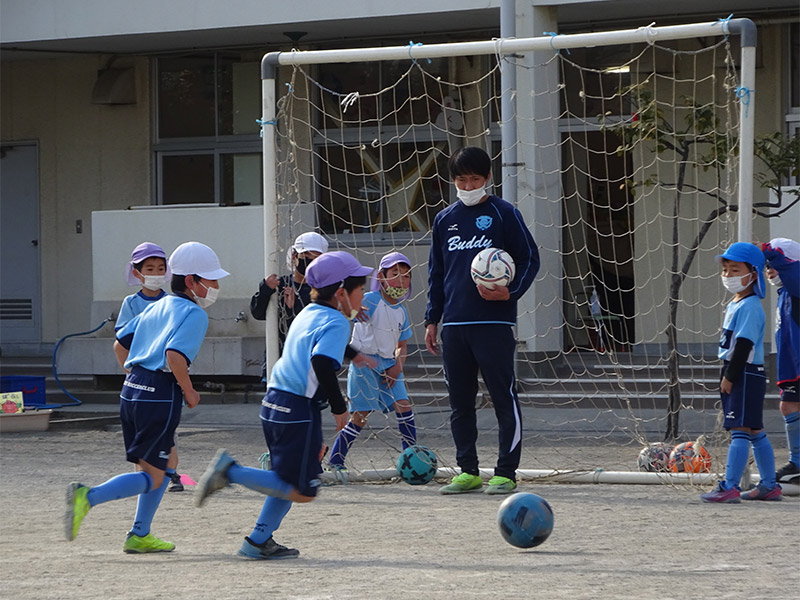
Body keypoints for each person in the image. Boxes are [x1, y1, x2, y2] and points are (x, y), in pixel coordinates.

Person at [194, 251, 372, 560]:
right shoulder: (337, 323)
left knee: (286, 478)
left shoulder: (309, 313)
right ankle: (230, 472)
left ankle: (258, 541)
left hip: (275, 404)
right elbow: (320, 362)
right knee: (303, 489)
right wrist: (340, 410)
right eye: (361, 289)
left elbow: (317, 342)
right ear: (342, 292)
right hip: (297, 410)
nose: (364, 295)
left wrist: (353, 352)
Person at [64, 242, 230, 552]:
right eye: (212, 280)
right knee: (153, 475)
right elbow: (174, 356)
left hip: (132, 390)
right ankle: (88, 496)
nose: (216, 287)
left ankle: (140, 533)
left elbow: (119, 343)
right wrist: (190, 391)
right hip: (159, 394)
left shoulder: (157, 305)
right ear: (192, 281)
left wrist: (136, 372)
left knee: (164, 463)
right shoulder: (194, 314)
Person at [424, 146, 539, 495]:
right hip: (455, 327)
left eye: (474, 179)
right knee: (460, 402)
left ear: (488, 178)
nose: (468, 185)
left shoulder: (504, 213)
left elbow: (530, 258)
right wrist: (433, 319)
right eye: (461, 179)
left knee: (503, 397)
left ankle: (506, 472)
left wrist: (511, 292)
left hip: (494, 325)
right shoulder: (445, 219)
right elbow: (436, 272)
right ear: (453, 181)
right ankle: (467, 469)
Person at [701, 242, 782, 503]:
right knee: (755, 430)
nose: (728, 275)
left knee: (739, 429)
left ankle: (730, 486)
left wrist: (730, 377)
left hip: (744, 372)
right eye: (725, 270)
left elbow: (744, 345)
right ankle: (769, 485)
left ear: (753, 273)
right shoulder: (738, 303)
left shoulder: (750, 306)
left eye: (735, 270)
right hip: (742, 372)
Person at [327, 252, 416, 471]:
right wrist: (352, 312)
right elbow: (342, 308)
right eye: (395, 274)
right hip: (364, 363)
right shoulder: (368, 300)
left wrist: (397, 366)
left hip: (390, 365)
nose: (401, 280)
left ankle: (412, 457)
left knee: (404, 405)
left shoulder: (402, 312)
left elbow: (402, 346)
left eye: (406, 276)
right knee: (360, 417)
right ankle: (336, 460)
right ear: (381, 277)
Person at [116, 242, 184, 492]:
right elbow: (121, 342)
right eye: (149, 268)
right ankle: (144, 478)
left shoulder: (172, 302)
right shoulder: (131, 304)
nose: (155, 274)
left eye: (160, 268)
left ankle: (172, 473)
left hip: (165, 376)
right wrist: (130, 373)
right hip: (142, 377)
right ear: (137, 273)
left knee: (168, 427)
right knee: (143, 435)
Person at [250, 232, 328, 383]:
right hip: (279, 360)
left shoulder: (324, 290)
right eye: (307, 258)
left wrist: (292, 308)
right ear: (294, 256)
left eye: (316, 260)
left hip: (311, 364)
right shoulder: (280, 285)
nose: (311, 264)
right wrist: (266, 289)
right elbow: (257, 313)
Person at [762, 238, 800, 485]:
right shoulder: (784, 292)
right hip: (788, 364)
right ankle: (797, 463)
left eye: (774, 265)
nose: (770, 270)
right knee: (788, 407)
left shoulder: (797, 286)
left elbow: (790, 267)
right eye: (766, 266)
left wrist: (766, 249)